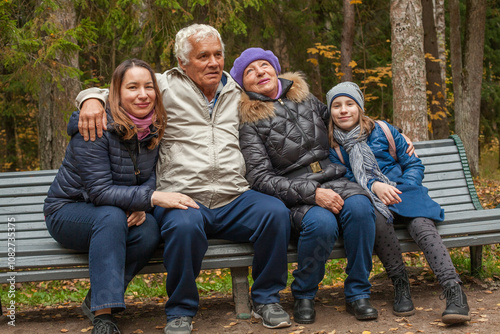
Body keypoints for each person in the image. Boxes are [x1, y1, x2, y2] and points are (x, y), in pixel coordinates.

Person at [75, 25, 292, 333]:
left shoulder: (235, 90)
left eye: (218, 55)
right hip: (183, 196)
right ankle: (180, 310)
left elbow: (281, 90)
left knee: (275, 213)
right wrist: (90, 100)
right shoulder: (163, 85)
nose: (214, 63)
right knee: (183, 226)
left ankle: (266, 299)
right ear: (182, 61)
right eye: (203, 56)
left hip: (234, 196)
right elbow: (117, 89)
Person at [44, 59, 200, 334]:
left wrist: (141, 205)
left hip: (113, 210)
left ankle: (97, 296)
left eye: (148, 87)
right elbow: (99, 191)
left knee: (150, 228)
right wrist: (151, 199)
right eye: (133, 87)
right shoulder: (94, 127)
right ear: (116, 93)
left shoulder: (150, 129)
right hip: (69, 211)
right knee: (111, 217)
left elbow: (148, 176)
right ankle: (104, 317)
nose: (143, 94)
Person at [231, 47, 379, 324]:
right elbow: (260, 178)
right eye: (250, 71)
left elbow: (341, 123)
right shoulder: (249, 122)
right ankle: (304, 294)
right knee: (321, 223)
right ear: (244, 84)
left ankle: (359, 292)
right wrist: (312, 193)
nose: (260, 72)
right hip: (293, 190)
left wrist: (387, 133)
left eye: (264, 65)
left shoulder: (305, 98)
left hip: (333, 176)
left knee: (360, 208)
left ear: (275, 69)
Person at [327, 81, 471, 324]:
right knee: (378, 222)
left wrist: (403, 185)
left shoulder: (383, 130)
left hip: (405, 192)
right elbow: (345, 179)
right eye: (337, 105)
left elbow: (413, 163)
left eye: (350, 104)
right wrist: (374, 186)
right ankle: (400, 284)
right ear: (329, 112)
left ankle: (453, 290)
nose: (344, 110)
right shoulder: (334, 147)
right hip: (373, 198)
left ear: (359, 107)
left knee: (422, 227)